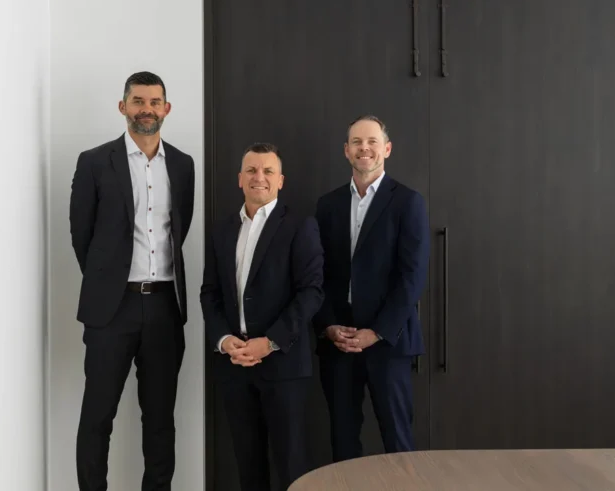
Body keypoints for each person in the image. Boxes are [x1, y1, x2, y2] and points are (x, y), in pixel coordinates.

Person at [70, 71, 195, 491]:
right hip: (112, 308)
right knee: (97, 416)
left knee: (160, 419)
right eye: (138, 101)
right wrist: (108, 281)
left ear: (167, 109)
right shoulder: (94, 162)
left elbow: (180, 229)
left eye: (154, 102)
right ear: (123, 106)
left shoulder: (183, 164)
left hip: (164, 306)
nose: (146, 109)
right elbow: (82, 235)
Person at [200, 143, 324, 491]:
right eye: (252, 170)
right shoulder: (222, 230)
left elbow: (312, 292)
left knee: (292, 468)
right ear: (240, 178)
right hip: (234, 366)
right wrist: (224, 340)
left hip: (284, 366)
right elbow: (210, 292)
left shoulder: (300, 226)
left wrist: (269, 342)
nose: (259, 177)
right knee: (248, 467)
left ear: (280, 180)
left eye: (268, 171)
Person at [313, 115, 429, 461]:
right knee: (343, 443)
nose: (364, 148)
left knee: (398, 443)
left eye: (372, 142)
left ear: (387, 149)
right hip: (339, 342)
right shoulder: (328, 205)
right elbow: (317, 274)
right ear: (346, 151)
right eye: (357, 142)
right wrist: (328, 326)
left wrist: (376, 332)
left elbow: (412, 277)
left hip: (389, 342)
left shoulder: (408, 202)